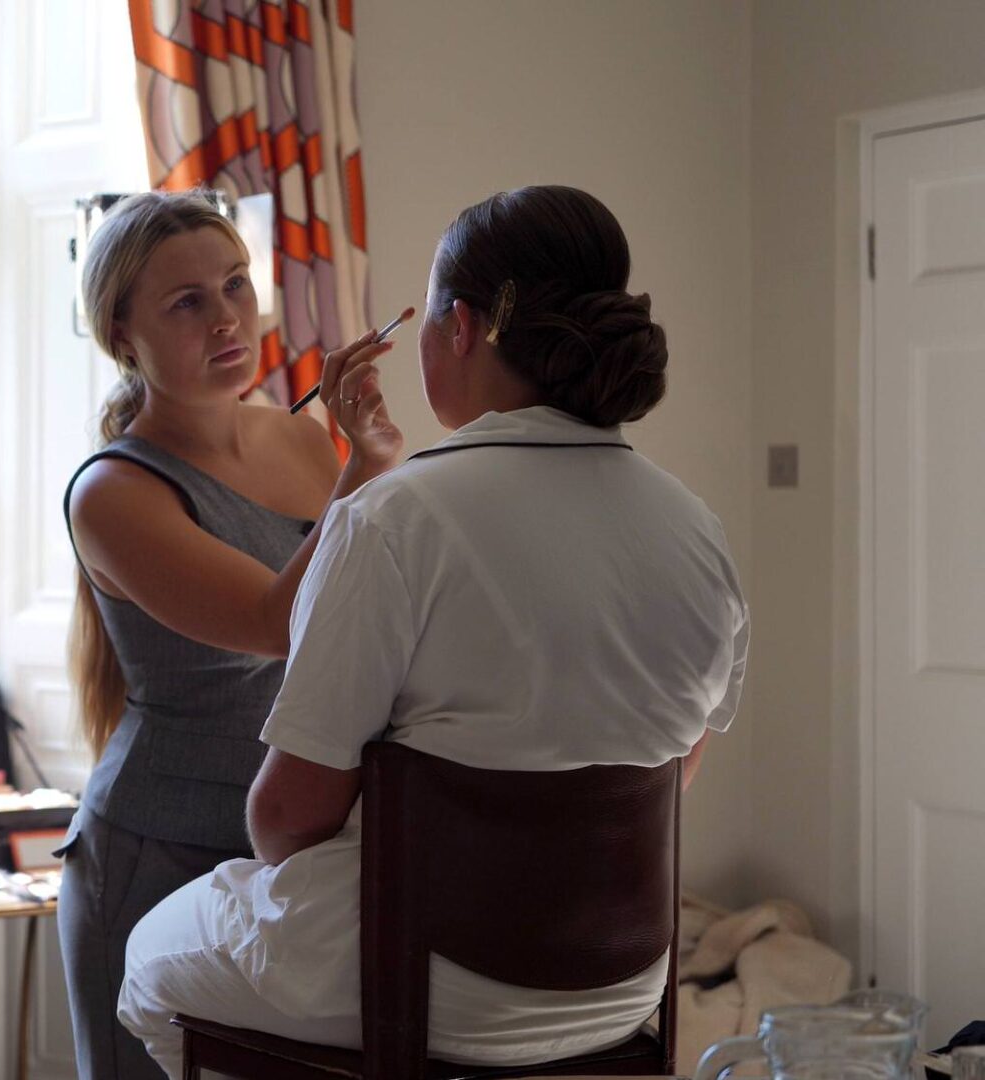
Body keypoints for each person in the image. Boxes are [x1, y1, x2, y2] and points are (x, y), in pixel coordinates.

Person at [115, 185, 751, 1077]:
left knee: (148, 963)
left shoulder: (395, 520)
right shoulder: (696, 528)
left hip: (428, 977)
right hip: (620, 976)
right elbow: (669, 777)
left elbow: (286, 821)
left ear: (460, 329)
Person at [58, 190, 405, 1078]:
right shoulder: (112, 491)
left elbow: (372, 609)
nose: (226, 319)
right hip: (158, 850)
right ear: (121, 333)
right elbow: (277, 622)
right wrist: (366, 471)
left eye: (236, 285)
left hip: (297, 848)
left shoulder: (300, 443)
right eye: (187, 302)